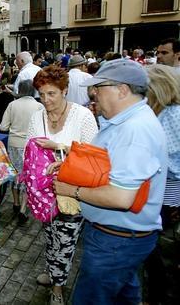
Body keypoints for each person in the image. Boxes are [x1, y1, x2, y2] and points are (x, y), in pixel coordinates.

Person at [53, 59, 167, 304]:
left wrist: (71, 190)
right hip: (120, 238)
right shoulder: (127, 122)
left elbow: (120, 197)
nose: (93, 94)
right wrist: (70, 168)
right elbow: (108, 168)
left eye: (99, 87)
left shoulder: (134, 130)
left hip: (117, 240)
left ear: (122, 90)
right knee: (125, 295)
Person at [26, 65, 98, 305]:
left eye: (52, 94)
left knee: (65, 242)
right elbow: (30, 149)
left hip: (72, 193)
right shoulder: (37, 116)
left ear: (65, 91)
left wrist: (58, 148)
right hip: (45, 193)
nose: (46, 100)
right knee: (50, 237)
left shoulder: (82, 115)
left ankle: (57, 288)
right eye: (42, 94)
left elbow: (94, 155)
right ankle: (52, 271)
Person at [143, 64, 180, 304]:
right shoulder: (161, 113)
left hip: (171, 196)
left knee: (160, 254)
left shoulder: (173, 115)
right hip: (163, 195)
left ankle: (158, 296)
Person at [0, 80, 44, 224]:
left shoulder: (12, 105)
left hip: (14, 143)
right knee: (28, 175)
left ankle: (16, 203)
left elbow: (3, 127)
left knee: (15, 173)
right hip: (31, 145)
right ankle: (24, 208)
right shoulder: (39, 106)